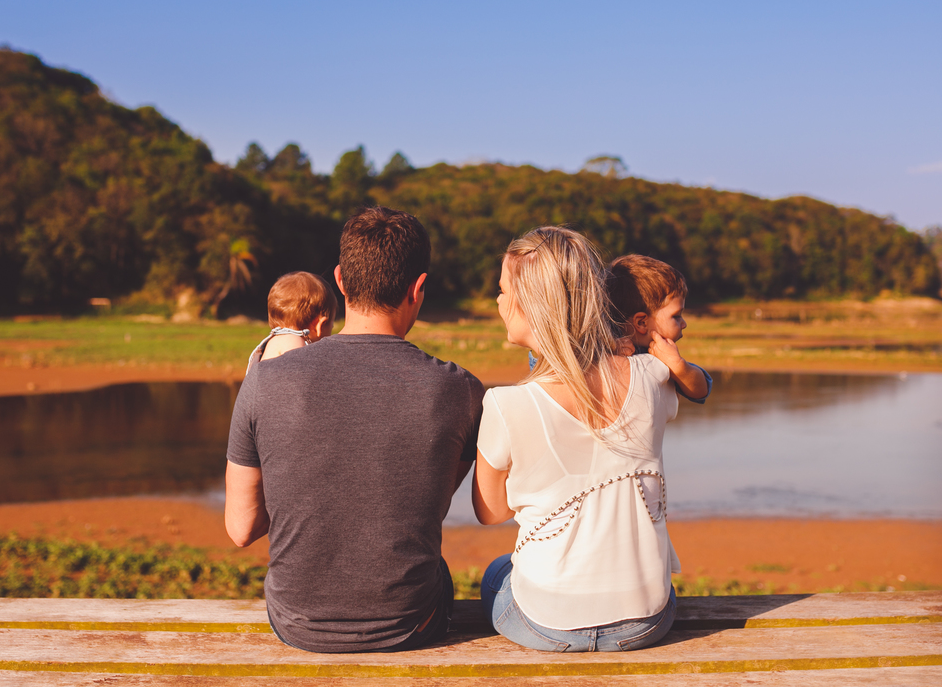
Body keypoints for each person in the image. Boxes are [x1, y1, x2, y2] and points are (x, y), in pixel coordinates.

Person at [225, 206, 485, 653]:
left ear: (341, 280)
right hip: (411, 625)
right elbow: (428, 502)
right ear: (418, 287)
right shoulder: (461, 390)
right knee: (437, 570)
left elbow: (241, 528)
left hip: (297, 624)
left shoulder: (263, 381)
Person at [473, 226, 680, 652]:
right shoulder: (655, 377)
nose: (498, 301)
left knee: (496, 573)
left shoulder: (505, 404)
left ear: (530, 303)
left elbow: (491, 512)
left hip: (550, 626)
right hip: (646, 621)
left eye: (503, 290)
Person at [606, 254, 711, 403]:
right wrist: (609, 353)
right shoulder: (602, 349)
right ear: (642, 323)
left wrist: (678, 367)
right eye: (676, 316)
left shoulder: (665, 356)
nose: (684, 324)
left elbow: (701, 390)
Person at [246, 271, 337, 371]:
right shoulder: (294, 342)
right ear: (319, 325)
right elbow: (299, 377)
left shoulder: (273, 342)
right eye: (331, 326)